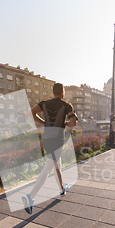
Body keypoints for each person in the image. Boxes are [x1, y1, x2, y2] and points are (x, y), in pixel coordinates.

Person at [22, 83, 77, 213]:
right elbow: (73, 123)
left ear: (52, 93)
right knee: (48, 168)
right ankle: (30, 196)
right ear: (63, 93)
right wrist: (65, 123)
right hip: (57, 140)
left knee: (57, 163)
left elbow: (31, 113)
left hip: (47, 139)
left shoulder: (44, 103)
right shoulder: (66, 105)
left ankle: (62, 189)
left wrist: (44, 122)